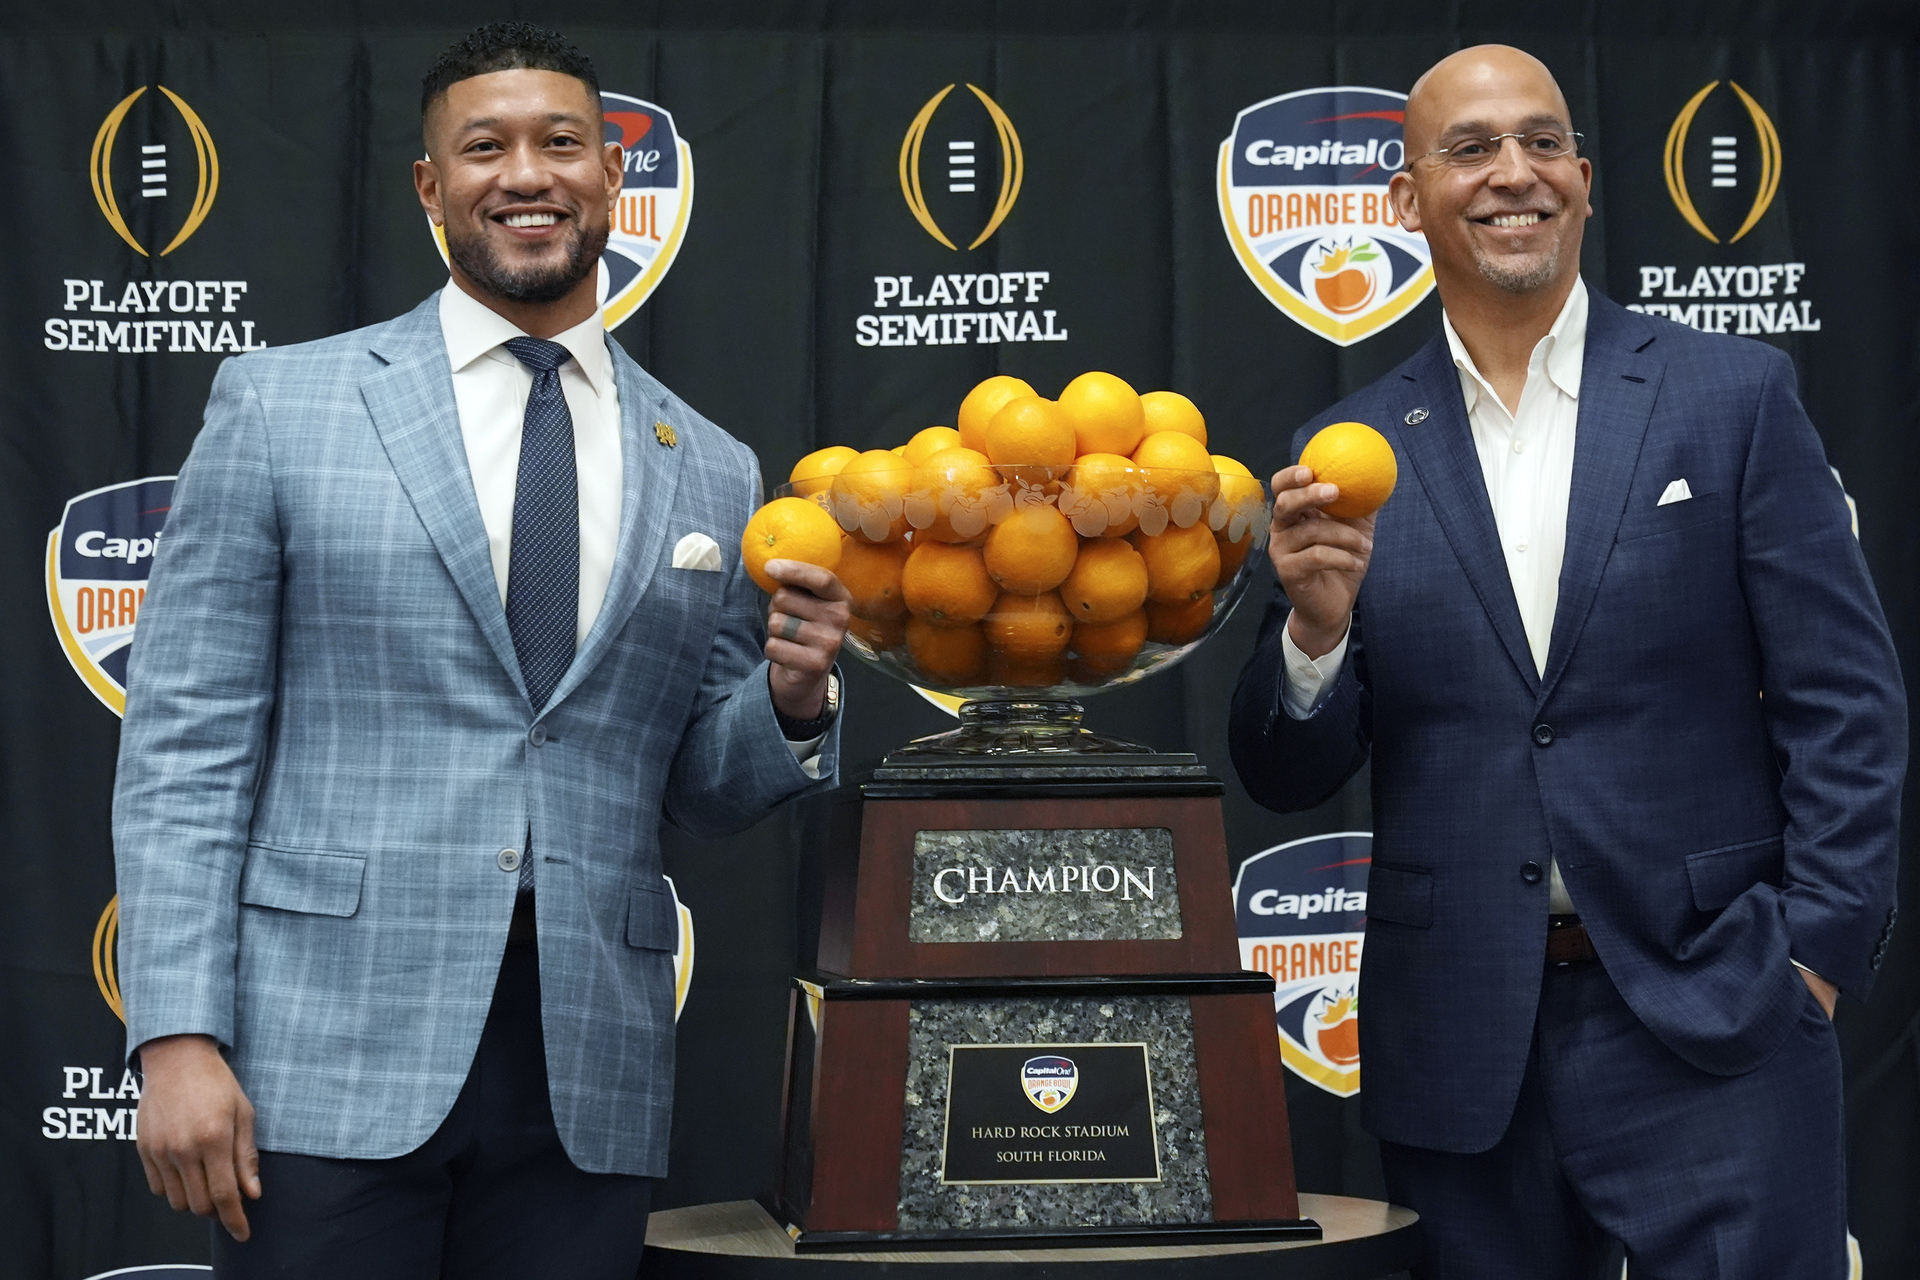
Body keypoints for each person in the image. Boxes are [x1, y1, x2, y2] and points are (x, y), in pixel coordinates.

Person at [111, 23, 851, 1278]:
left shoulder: (713, 467)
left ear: (615, 178)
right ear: (430, 185)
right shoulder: (283, 405)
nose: (527, 174)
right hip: (326, 1054)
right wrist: (176, 1036)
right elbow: (185, 742)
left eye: (564, 143)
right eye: (485, 146)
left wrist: (789, 699)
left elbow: (693, 786)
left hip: (588, 1068)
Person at [1229, 45, 1904, 1280]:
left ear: (1587, 181)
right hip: (1461, 1036)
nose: (1515, 174)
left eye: (1544, 143)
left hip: (1718, 1015)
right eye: (1472, 148)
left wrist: (1814, 954)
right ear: (1401, 200)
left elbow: (1845, 699)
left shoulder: (1733, 395)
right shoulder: (1348, 449)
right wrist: (1314, 635)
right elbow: (1284, 771)